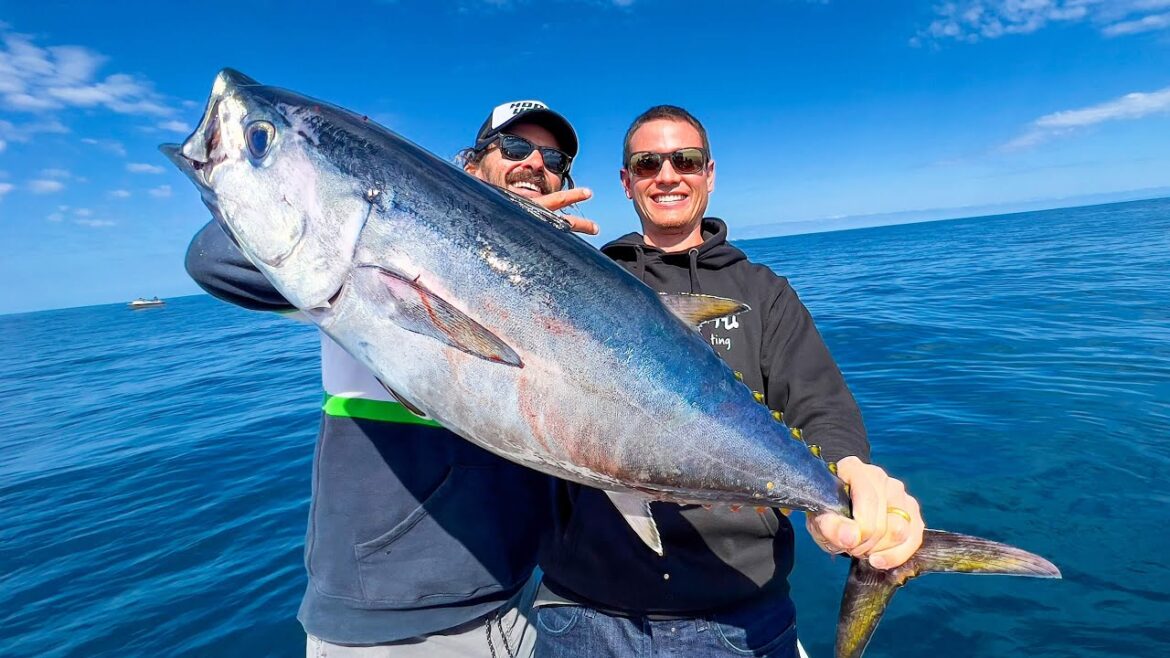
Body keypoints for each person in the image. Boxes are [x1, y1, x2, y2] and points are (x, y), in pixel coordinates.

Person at [185, 100, 593, 657]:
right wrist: (348, 170)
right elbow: (214, 260)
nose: (535, 163)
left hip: (521, 590)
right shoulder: (360, 257)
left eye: (553, 157)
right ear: (471, 166)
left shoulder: (565, 291)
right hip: (398, 620)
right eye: (516, 147)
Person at [533, 106, 926, 657]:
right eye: (647, 163)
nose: (667, 175)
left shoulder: (763, 293)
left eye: (685, 160)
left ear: (709, 174)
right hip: (584, 613)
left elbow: (820, 405)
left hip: (738, 620)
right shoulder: (585, 279)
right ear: (627, 182)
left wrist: (851, 477)